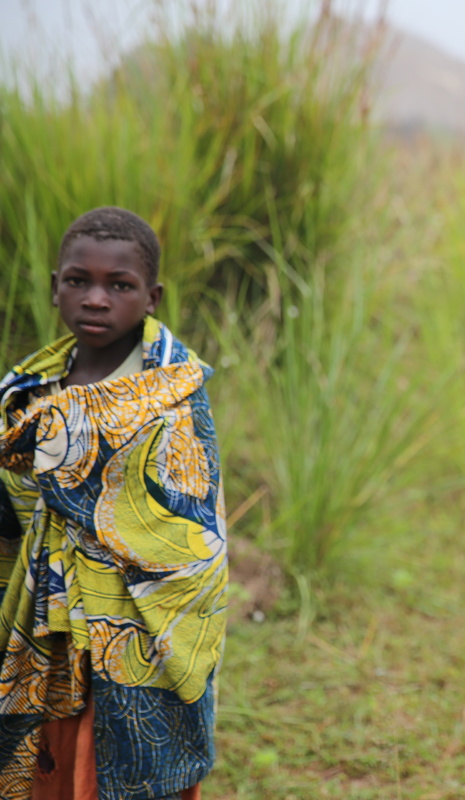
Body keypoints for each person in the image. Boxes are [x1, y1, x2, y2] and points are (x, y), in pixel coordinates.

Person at [0, 207, 227, 800]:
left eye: (118, 286)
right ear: (55, 288)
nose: (95, 298)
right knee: (50, 763)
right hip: (43, 626)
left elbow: (191, 528)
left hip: (133, 632)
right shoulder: (27, 391)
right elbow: (13, 508)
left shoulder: (169, 394)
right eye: (79, 281)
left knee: (112, 769)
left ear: (151, 297)